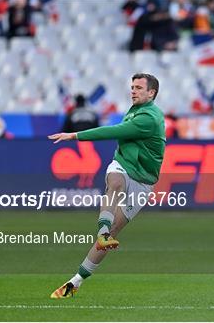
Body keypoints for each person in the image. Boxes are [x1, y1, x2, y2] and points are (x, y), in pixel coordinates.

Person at [48, 73, 166, 298]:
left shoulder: (149, 117)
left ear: (152, 93)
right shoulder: (135, 110)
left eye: (139, 87)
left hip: (144, 182)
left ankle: (76, 282)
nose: (133, 90)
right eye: (132, 86)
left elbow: (113, 131)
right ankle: (102, 232)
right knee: (115, 183)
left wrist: (74, 135)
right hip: (122, 165)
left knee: (115, 231)